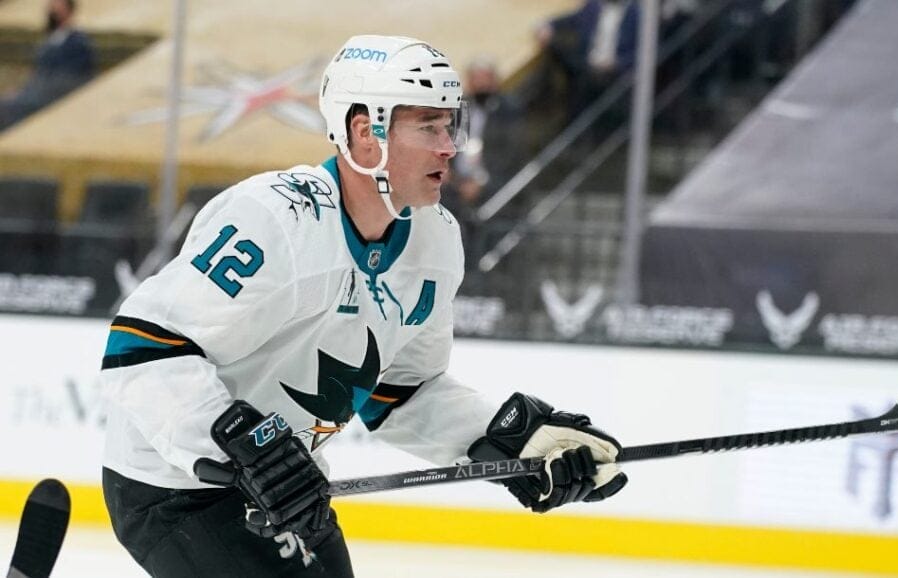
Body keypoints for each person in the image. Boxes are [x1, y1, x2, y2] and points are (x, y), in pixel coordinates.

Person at [98, 35, 628, 577]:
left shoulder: (437, 242)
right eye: (428, 126)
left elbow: (401, 393)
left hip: (285, 488)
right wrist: (248, 448)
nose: (449, 146)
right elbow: (142, 348)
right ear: (364, 133)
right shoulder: (277, 218)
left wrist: (510, 439)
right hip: (176, 485)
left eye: (450, 126)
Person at [444, 57, 524, 272]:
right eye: (475, 80)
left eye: (485, 80)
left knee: (497, 207)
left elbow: (510, 153)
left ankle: (489, 275)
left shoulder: (508, 111)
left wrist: (480, 181)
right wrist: (452, 176)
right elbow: (452, 144)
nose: (480, 85)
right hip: (457, 182)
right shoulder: (459, 109)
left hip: (493, 182)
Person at [534, 0, 639, 122]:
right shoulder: (593, 6)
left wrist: (616, 63)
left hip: (615, 70)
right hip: (588, 63)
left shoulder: (635, 14)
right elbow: (571, 20)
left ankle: (576, 123)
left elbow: (641, 53)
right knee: (557, 49)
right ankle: (563, 117)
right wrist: (549, 26)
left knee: (581, 78)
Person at [0, 0, 95, 131]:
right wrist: (21, 91)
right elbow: (38, 73)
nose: (52, 10)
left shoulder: (77, 42)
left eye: (57, 7)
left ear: (68, 11)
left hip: (55, 96)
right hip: (36, 93)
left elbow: (74, 77)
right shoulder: (51, 39)